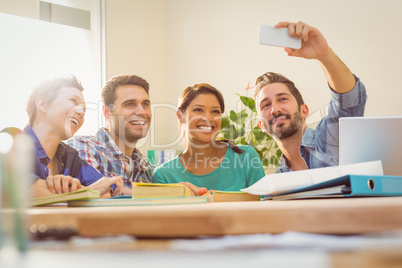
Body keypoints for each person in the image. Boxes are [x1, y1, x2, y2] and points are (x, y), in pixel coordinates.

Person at [254, 21, 367, 173]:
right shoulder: (279, 179)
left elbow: (348, 101)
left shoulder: (329, 138)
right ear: (261, 125)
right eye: (265, 105)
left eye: (282, 99)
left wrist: (324, 55)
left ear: (304, 111)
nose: (275, 109)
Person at [152, 83, 265, 195]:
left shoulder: (246, 157)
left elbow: (265, 208)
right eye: (198, 110)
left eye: (215, 111)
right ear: (180, 116)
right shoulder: (163, 176)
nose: (208, 118)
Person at [24, 75, 124, 198]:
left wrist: (88, 191)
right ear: (42, 104)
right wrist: (87, 191)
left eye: (84, 110)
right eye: (73, 101)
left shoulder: (70, 157)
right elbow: (17, 189)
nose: (82, 113)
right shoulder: (10, 141)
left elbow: (105, 190)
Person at [67, 75, 154, 195]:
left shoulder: (147, 169)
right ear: (107, 112)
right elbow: (96, 193)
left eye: (145, 104)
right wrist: (162, 193)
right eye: (129, 104)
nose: (142, 112)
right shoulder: (83, 147)